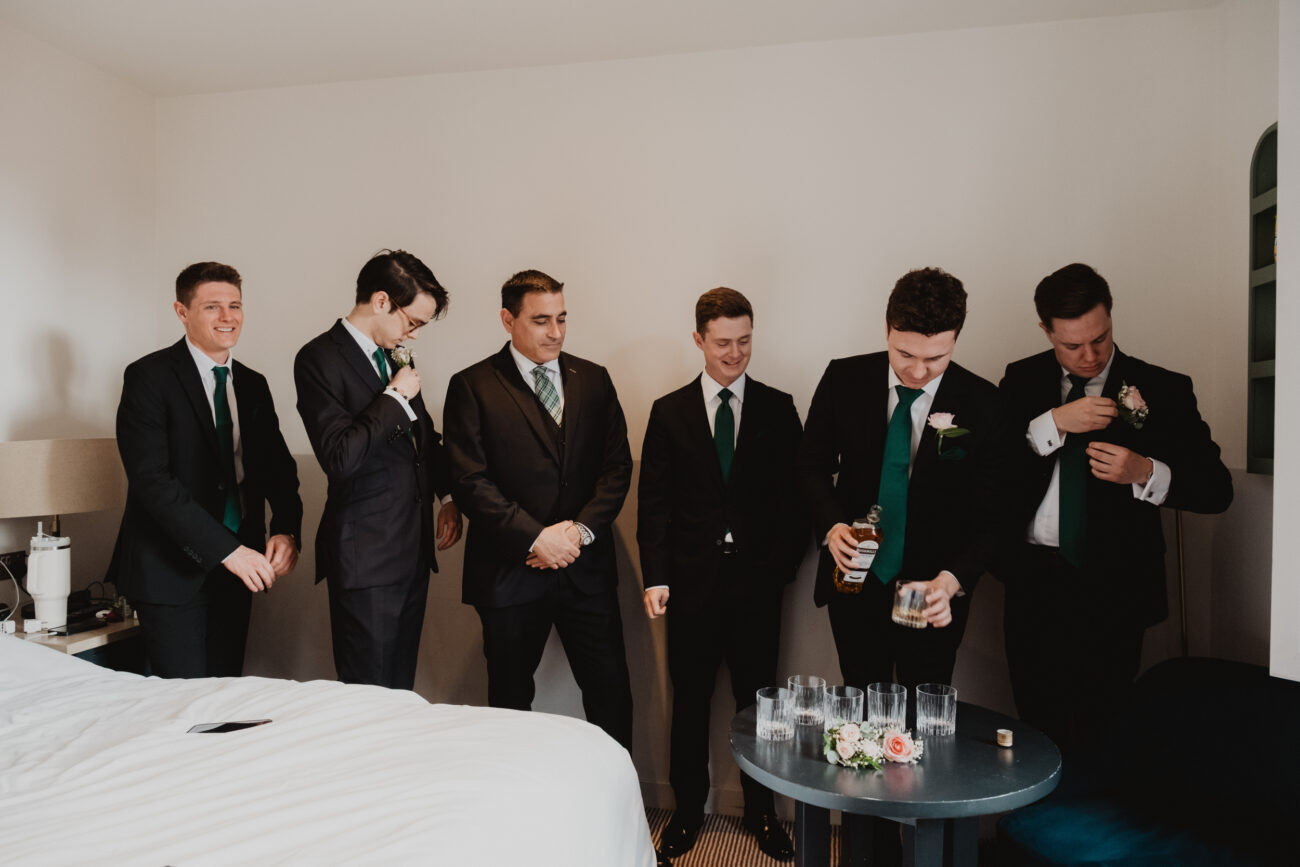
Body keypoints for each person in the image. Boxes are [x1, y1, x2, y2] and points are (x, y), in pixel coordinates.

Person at [996, 262, 1232, 759]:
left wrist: (1145, 471)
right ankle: (1027, 836)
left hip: (1116, 588)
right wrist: (1051, 424)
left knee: (1104, 733)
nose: (1089, 356)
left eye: (1099, 340)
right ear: (1046, 331)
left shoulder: (1163, 388)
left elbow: (1217, 489)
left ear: (1110, 317)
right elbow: (988, 473)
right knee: (1035, 731)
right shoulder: (1020, 380)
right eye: (1072, 345)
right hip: (1033, 583)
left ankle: (1097, 832)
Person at [638, 288, 804, 862]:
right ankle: (686, 813)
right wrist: (656, 577)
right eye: (723, 342)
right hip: (689, 586)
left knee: (760, 708)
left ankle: (762, 814)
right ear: (699, 339)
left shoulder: (780, 408)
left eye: (745, 341)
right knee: (689, 702)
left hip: (758, 587)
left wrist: (778, 570)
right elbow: (653, 505)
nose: (735, 353)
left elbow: (798, 501)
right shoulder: (669, 411)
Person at [443, 269, 634, 749]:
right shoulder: (472, 385)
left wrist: (578, 535)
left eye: (562, 319)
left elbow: (616, 469)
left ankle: (619, 809)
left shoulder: (593, 379)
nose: (556, 332)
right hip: (510, 571)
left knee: (611, 695)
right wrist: (536, 538)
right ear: (508, 319)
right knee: (509, 701)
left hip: (586, 568)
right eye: (541, 320)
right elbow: (469, 480)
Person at [110, 262, 302, 678]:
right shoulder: (148, 377)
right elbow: (152, 482)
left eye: (235, 305)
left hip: (240, 567)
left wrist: (287, 528)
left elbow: (278, 470)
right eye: (212, 307)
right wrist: (228, 552)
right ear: (182, 312)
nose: (227, 317)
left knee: (225, 693)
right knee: (185, 704)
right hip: (170, 569)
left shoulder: (253, 383)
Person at [295, 249, 462, 689]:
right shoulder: (318, 358)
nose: (415, 336)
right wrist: (393, 398)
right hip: (365, 555)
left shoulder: (397, 358)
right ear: (383, 301)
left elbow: (423, 440)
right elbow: (339, 457)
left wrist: (447, 496)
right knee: (367, 694)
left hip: (412, 550)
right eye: (413, 323)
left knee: (400, 689)